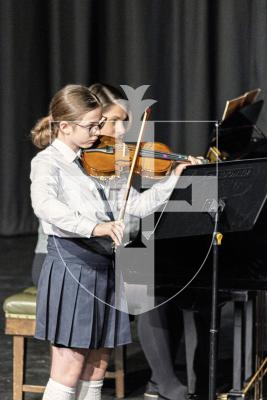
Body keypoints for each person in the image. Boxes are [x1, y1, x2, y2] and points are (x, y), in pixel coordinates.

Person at [30, 83, 197, 400]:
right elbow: (46, 207)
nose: (99, 132)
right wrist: (95, 226)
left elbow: (135, 206)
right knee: (71, 363)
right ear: (65, 126)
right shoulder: (48, 163)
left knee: (97, 363)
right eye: (92, 126)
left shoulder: (101, 160)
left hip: (106, 266)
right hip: (73, 265)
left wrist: (172, 181)